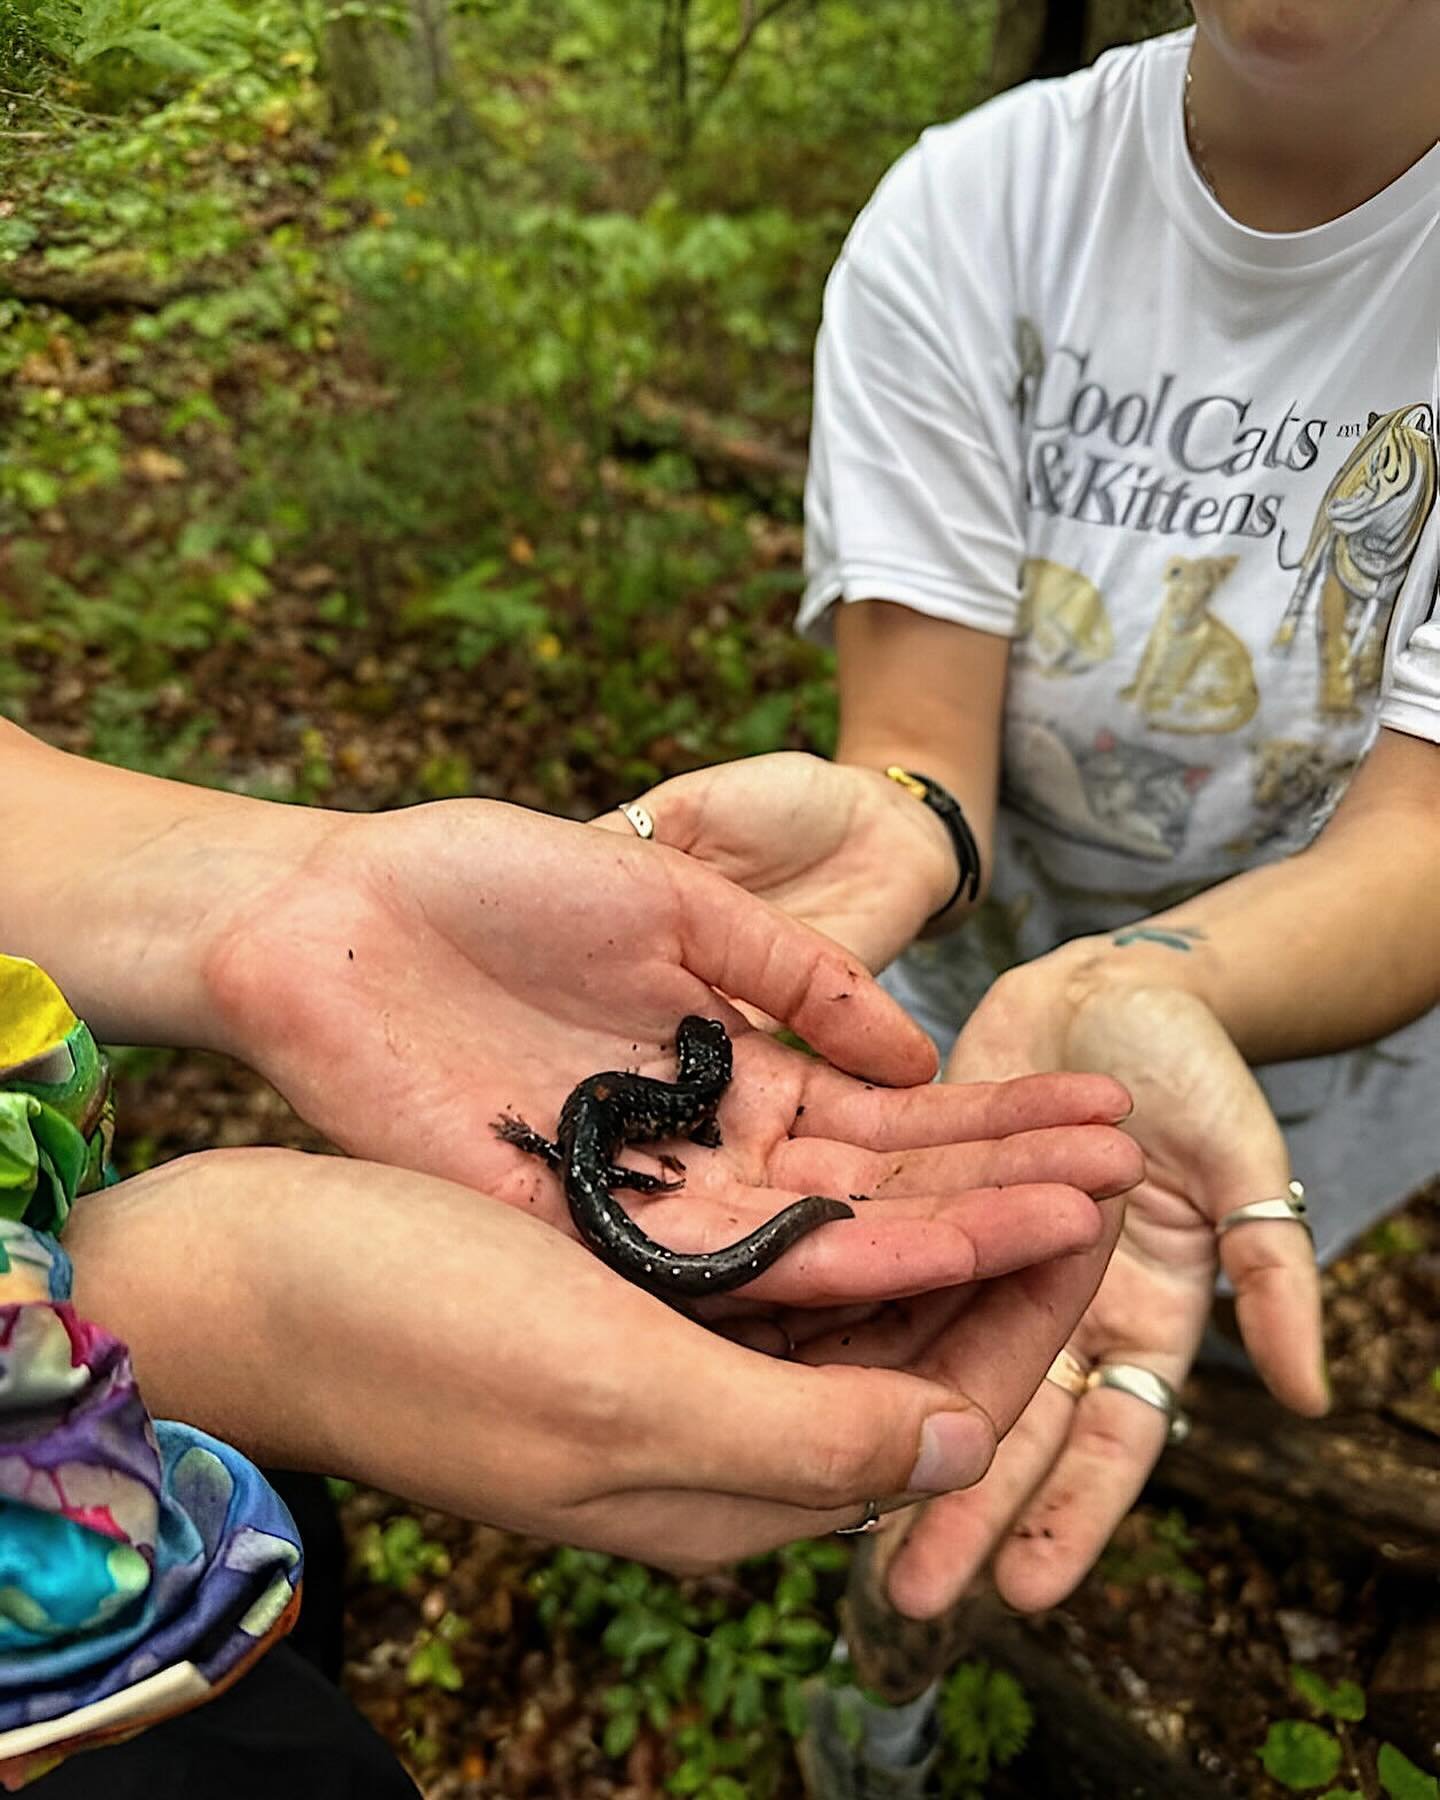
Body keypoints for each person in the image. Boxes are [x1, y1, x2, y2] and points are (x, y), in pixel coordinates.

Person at [599, 0, 1440, 1783]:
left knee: (1130, 1321)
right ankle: (881, 1697)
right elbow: (922, 750)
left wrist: (1151, 982)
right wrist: (904, 826)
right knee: (936, 1393)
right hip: (950, 1017)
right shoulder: (977, 204)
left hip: (1323, 1031)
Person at [0, 715, 1142, 1792]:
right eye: (707, 1063)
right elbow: (683, 1113)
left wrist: (285, 903)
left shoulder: (669, 1098)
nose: (709, 1064)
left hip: (141, 1424)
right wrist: (231, 1314)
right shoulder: (691, 1102)